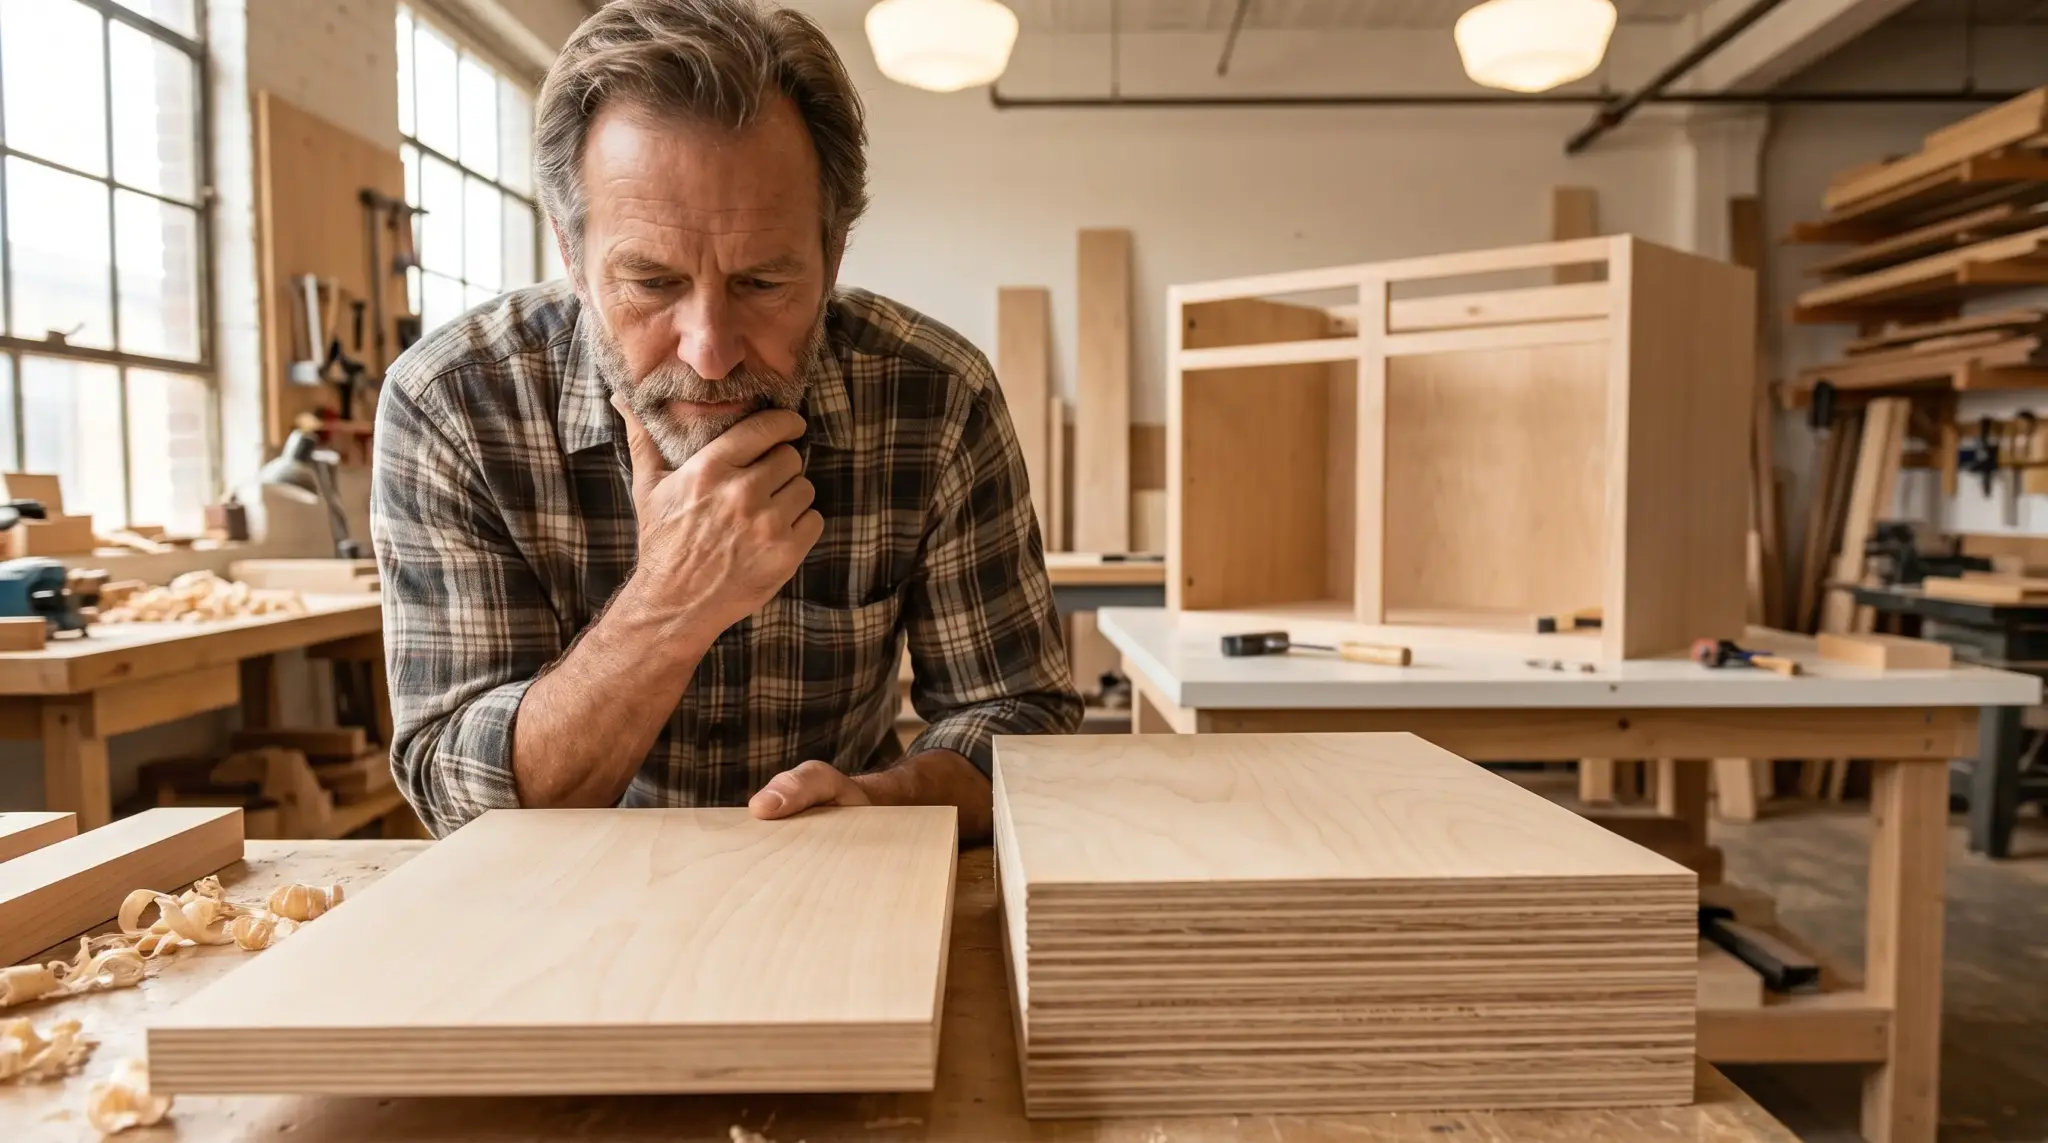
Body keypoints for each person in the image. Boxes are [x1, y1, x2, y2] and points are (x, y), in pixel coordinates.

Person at [369, 0, 1081, 842]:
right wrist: (673, 599)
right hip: (557, 914)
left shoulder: (935, 396)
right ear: (571, 252)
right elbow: (459, 801)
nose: (709, 352)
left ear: (833, 256)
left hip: (843, 875)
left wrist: (886, 800)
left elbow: (1020, 714)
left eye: (763, 284)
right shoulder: (454, 405)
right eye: (652, 283)